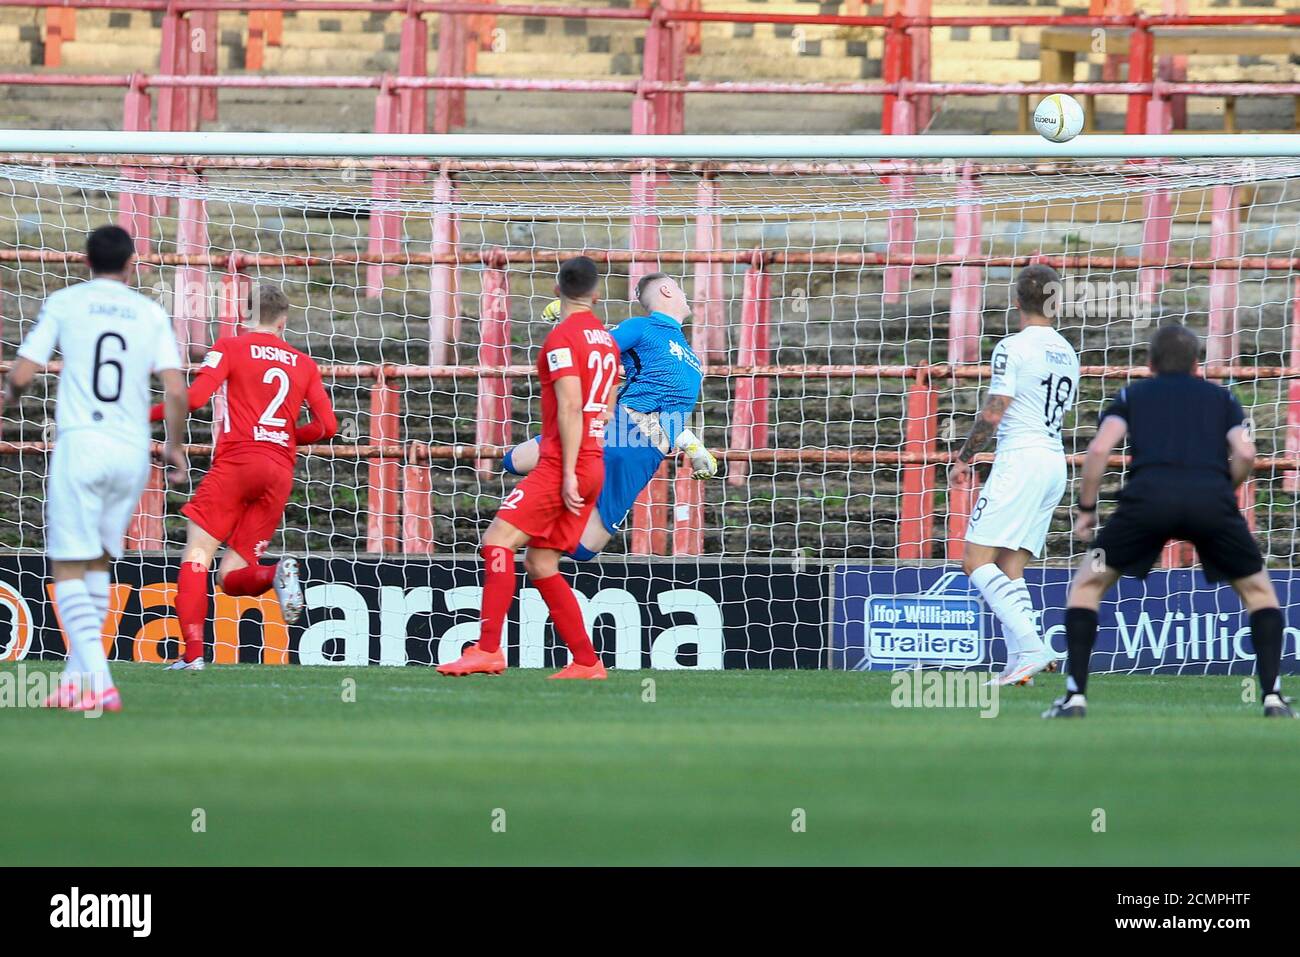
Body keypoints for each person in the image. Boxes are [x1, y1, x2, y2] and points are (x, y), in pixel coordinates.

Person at [1045, 323, 1295, 719]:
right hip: (1211, 503)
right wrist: (1221, 487)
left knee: (1087, 584)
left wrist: (1087, 510)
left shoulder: (1132, 394)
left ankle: (1075, 696)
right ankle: (1273, 698)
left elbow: (1097, 450)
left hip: (1147, 502)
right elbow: (1245, 454)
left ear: (1150, 362)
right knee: (1260, 593)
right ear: (1197, 363)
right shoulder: (1222, 398)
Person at [6, 224, 189, 712]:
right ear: (133, 264)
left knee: (68, 563)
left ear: (85, 262)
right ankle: (75, 680)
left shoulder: (67, 302)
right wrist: (173, 448)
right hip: (131, 451)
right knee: (98, 562)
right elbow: (174, 388)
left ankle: (102, 682)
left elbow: (24, 371)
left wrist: (10, 396)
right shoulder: (150, 312)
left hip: (82, 443)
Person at [437, 256, 620, 679]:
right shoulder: (607, 342)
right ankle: (587, 661)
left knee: (497, 541)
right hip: (594, 461)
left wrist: (568, 470)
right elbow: (611, 388)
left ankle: (486, 649)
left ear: (557, 291)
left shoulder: (561, 339)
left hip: (564, 464)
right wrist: (600, 420)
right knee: (541, 563)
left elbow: (571, 404)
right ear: (596, 293)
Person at [151, 284, 337, 670]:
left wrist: (142, 414)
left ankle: (193, 655)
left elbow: (197, 399)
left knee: (198, 555)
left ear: (244, 315)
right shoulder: (303, 363)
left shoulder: (230, 346)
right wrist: (287, 436)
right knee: (232, 574)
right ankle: (272, 574)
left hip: (238, 463)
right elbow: (329, 426)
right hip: (279, 470)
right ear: (283, 321)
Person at [500, 272, 716, 558]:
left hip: (640, 452)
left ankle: (527, 525)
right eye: (679, 286)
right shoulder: (643, 327)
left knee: (582, 549)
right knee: (514, 461)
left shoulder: (692, 359)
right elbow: (593, 350)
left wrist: (693, 446)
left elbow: (672, 411)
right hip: (622, 431)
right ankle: (518, 528)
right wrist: (568, 320)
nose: (685, 294)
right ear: (666, 290)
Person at [949, 264, 1079, 686]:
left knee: (975, 561)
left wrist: (966, 456)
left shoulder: (1013, 346)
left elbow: (997, 405)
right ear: (1056, 303)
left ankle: (1034, 646)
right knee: (1010, 567)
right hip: (1053, 461)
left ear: (1016, 302)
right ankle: (1020, 660)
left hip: (1020, 458)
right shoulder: (1068, 351)